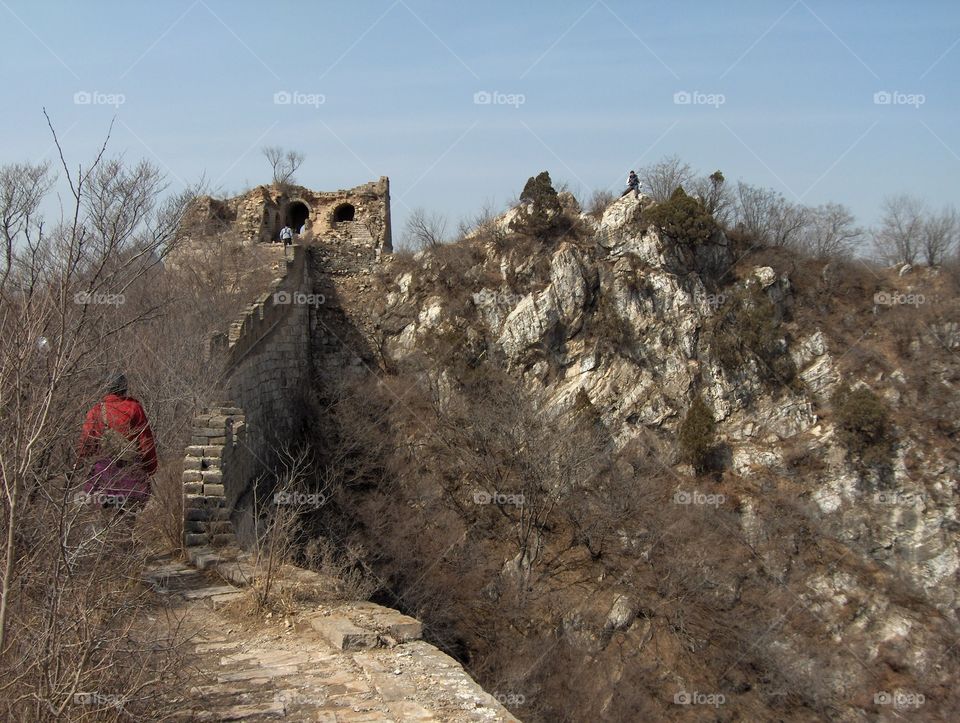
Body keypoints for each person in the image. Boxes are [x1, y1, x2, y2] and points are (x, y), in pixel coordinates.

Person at [78, 374, 158, 512]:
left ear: (106, 388)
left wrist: (80, 463)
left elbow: (86, 444)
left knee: (100, 518)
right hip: (131, 477)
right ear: (124, 389)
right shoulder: (134, 408)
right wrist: (150, 468)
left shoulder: (96, 411)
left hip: (103, 477)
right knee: (128, 520)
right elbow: (146, 442)